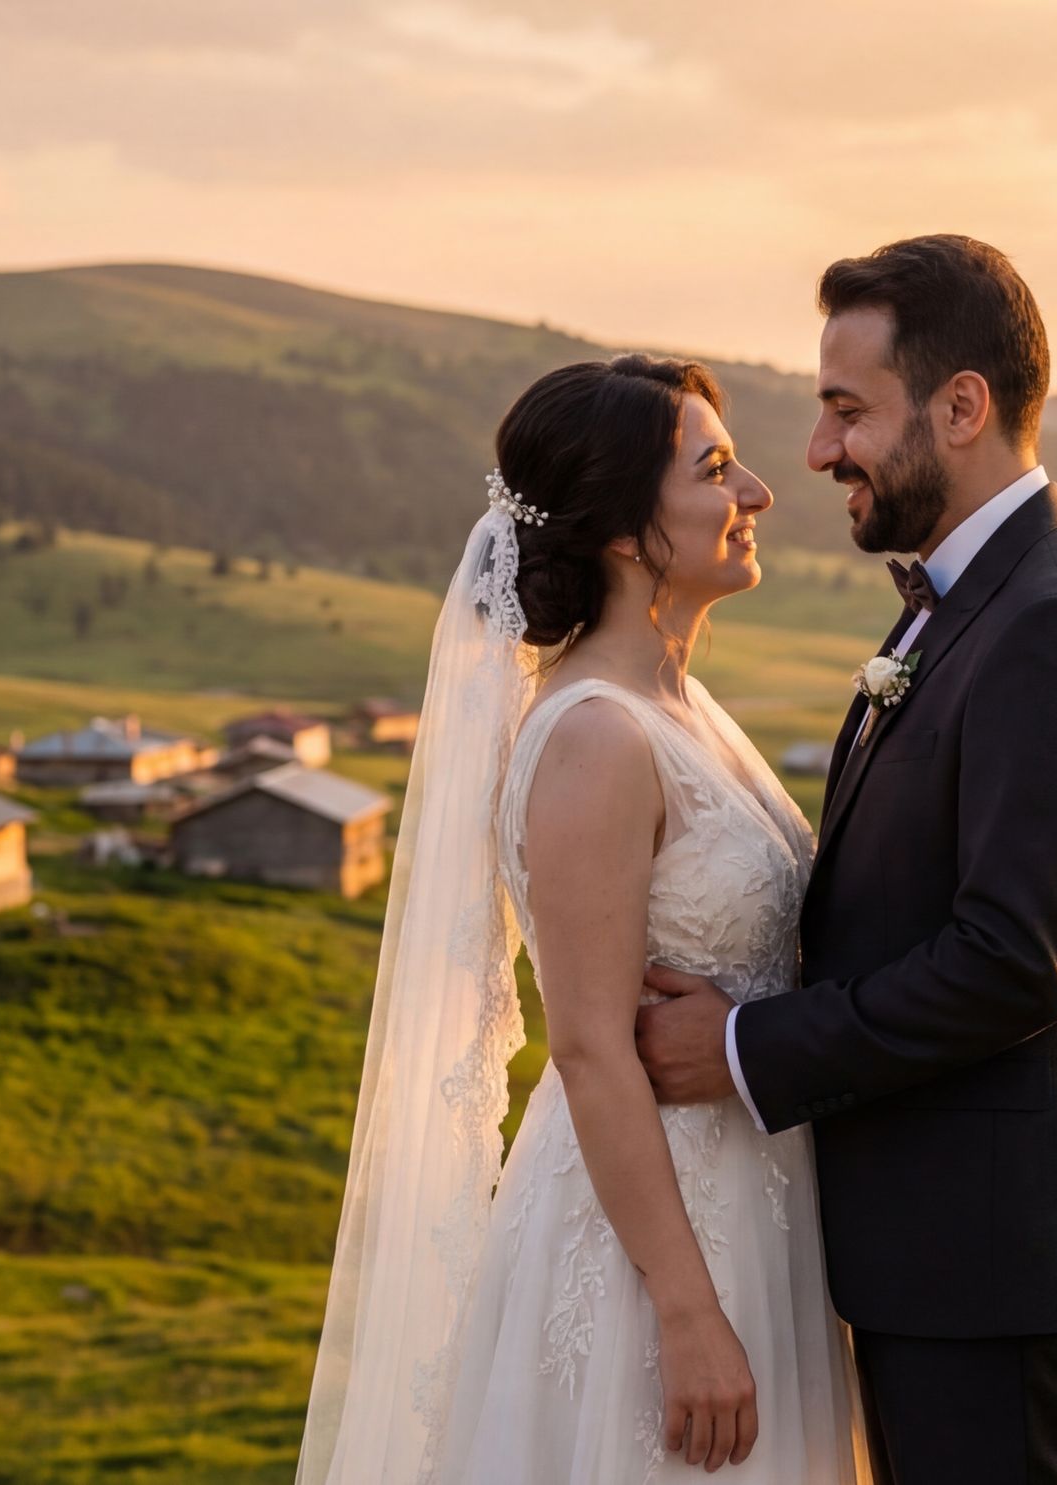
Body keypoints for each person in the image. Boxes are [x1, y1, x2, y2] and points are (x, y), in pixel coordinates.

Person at [638, 235, 1057, 1484]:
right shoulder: (969, 600)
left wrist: (738, 1049)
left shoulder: (1055, 627)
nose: (820, 452)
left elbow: (1012, 963)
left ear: (962, 406)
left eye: (846, 411)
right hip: (946, 1254)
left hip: (998, 1263)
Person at [299, 354, 863, 1484]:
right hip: (655, 1240)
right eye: (714, 468)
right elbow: (594, 1045)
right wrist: (689, 1311)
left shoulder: (679, 704)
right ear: (620, 530)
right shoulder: (597, 738)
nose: (755, 489)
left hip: (758, 1203)